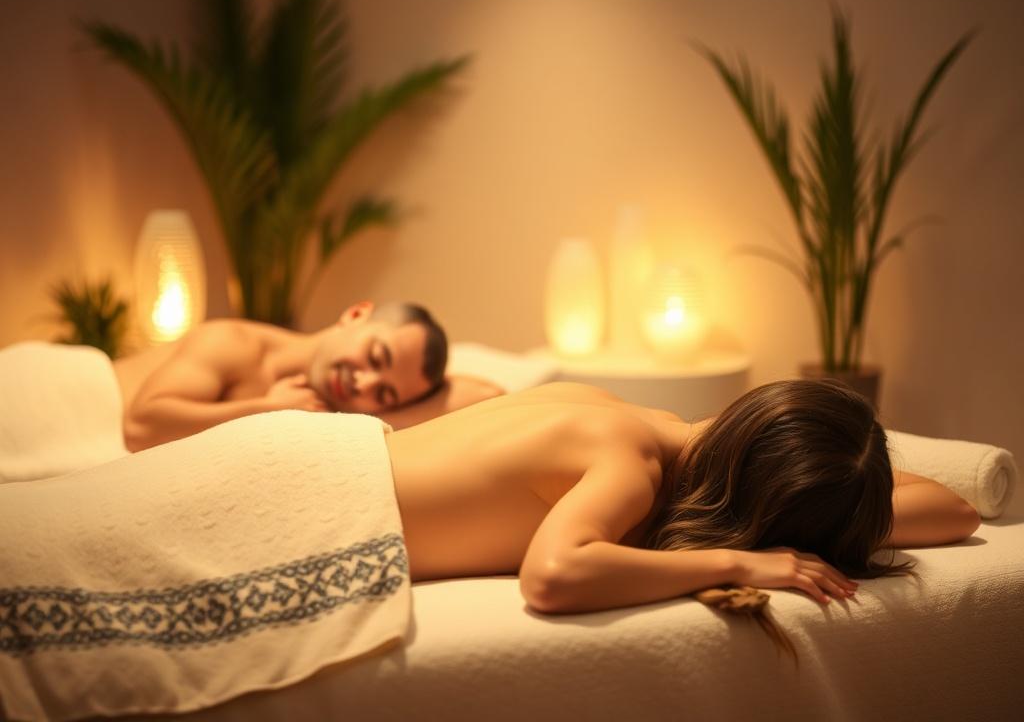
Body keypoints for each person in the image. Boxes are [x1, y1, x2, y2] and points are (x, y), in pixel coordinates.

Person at [385, 379, 980, 614]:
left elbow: (956, 511)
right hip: (322, 490)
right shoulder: (631, 463)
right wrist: (742, 559)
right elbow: (551, 576)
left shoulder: (643, 420)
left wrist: (839, 472)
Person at [114, 300, 502, 452]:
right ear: (353, 314)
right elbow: (140, 426)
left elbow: (487, 396)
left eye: (384, 394)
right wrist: (266, 410)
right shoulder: (233, 344)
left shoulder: (324, 414)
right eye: (374, 356)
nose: (363, 383)